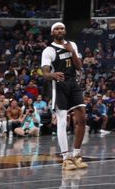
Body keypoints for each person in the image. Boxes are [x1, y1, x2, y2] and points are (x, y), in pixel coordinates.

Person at [41, 22, 88, 171]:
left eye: (62, 28)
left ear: (65, 31)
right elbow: (45, 73)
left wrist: (72, 51)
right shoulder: (48, 50)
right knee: (62, 121)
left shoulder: (72, 44)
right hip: (59, 85)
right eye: (57, 28)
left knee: (82, 118)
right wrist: (52, 75)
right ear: (52, 32)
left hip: (73, 83)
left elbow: (79, 67)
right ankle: (66, 158)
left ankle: (77, 155)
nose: (60, 30)